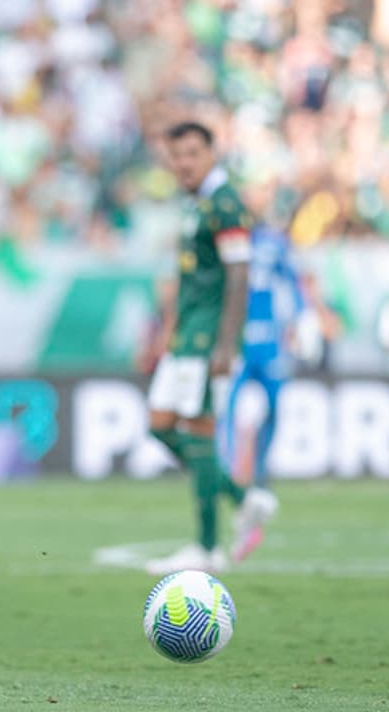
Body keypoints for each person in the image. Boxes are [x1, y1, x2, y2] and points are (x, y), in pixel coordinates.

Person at [143, 121, 254, 576]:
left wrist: (226, 345)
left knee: (198, 431)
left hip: (208, 340)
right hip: (187, 333)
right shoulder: (199, 203)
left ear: (212, 153)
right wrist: (170, 326)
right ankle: (243, 498)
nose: (184, 163)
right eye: (178, 156)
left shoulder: (225, 204)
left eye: (192, 153)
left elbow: (240, 274)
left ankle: (208, 549)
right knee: (161, 424)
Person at [220, 222, 298, 563]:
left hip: (268, 342)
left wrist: (300, 319)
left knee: (274, 408)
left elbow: (292, 283)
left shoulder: (274, 242)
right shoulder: (227, 237)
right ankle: (233, 480)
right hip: (237, 342)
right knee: (226, 410)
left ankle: (261, 475)